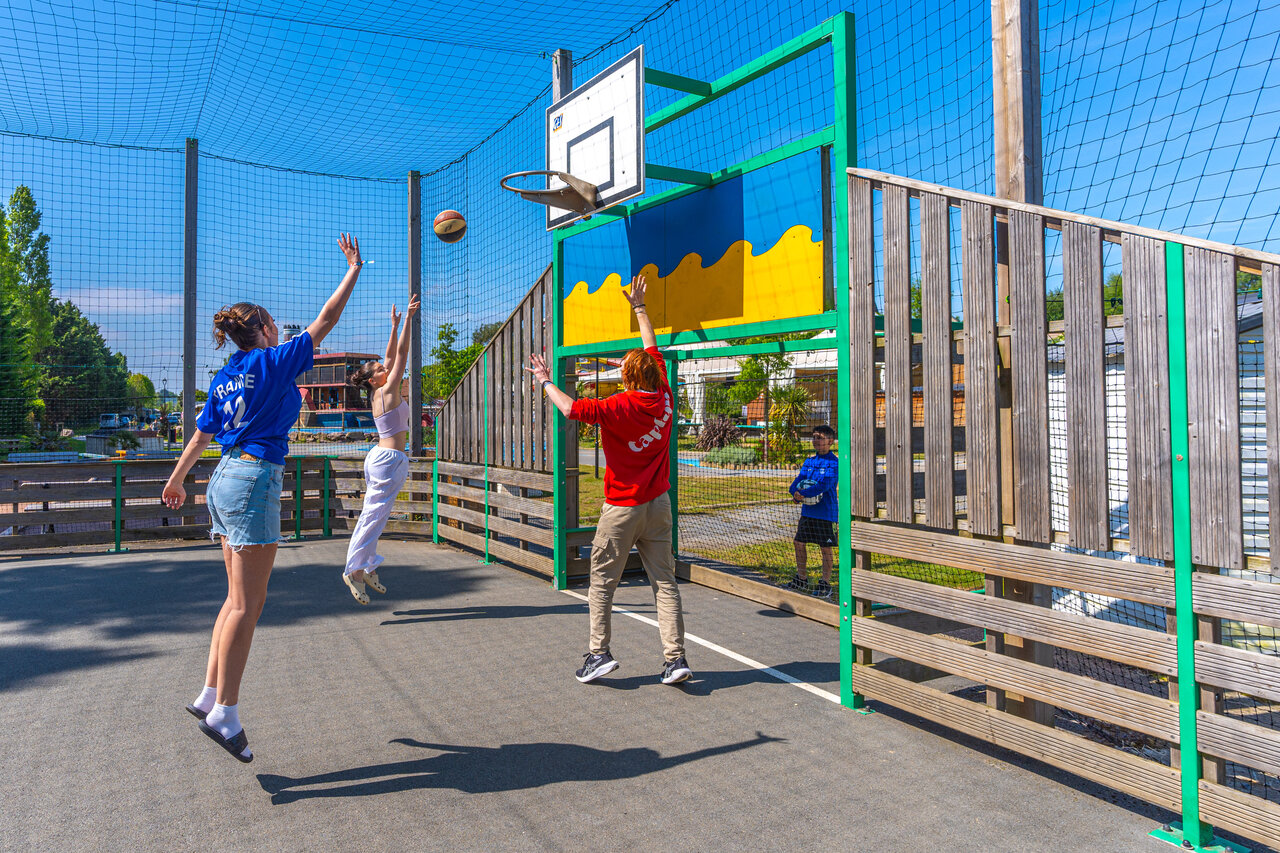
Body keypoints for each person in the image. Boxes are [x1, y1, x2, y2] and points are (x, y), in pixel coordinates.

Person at [162, 233, 364, 762]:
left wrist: (178, 479)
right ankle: (225, 713)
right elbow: (327, 319)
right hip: (252, 478)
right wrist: (354, 269)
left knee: (233, 601)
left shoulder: (227, 375)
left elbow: (201, 436)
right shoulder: (273, 362)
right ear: (266, 328)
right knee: (249, 606)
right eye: (274, 323)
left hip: (223, 478)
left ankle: (209, 693)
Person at [526, 274, 692, 686]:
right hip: (659, 504)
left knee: (602, 582)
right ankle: (675, 660)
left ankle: (598, 654)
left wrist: (546, 380)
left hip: (623, 508)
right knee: (664, 583)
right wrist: (639, 307)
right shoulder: (666, 395)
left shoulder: (617, 406)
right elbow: (651, 350)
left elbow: (568, 408)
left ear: (629, 378)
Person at [341, 293, 420, 604]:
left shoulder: (380, 390)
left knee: (378, 515)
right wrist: (409, 322)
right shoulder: (387, 390)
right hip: (387, 460)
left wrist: (393, 325)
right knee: (372, 516)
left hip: (387, 459)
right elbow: (400, 353)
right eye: (378, 368)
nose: (384, 367)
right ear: (374, 380)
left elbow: (389, 356)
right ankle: (355, 570)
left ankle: (368, 563)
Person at [784, 424, 839, 598]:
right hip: (808, 512)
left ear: (830, 441)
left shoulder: (834, 463)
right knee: (799, 543)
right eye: (814, 437)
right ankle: (801, 578)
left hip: (826, 513)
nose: (816, 440)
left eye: (820, 437)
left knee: (825, 548)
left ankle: (825, 583)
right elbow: (798, 480)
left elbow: (825, 485)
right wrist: (795, 493)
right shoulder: (809, 462)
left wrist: (804, 493)